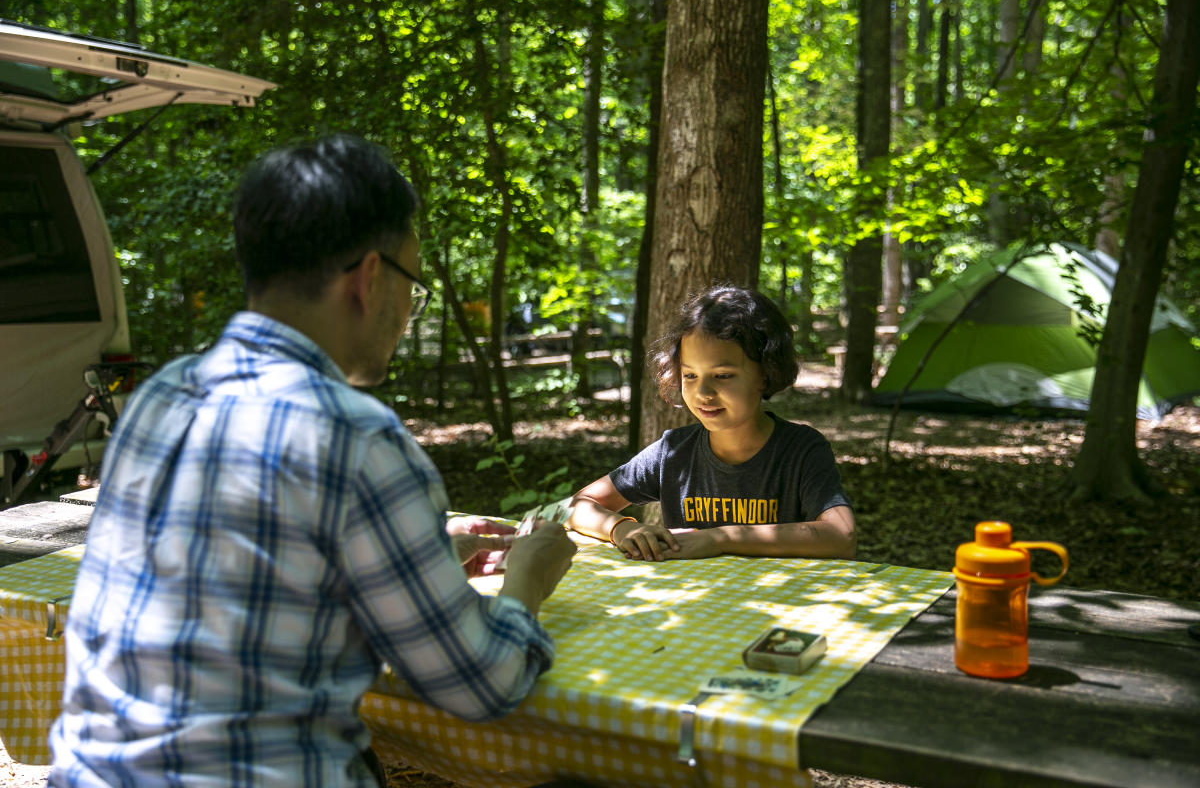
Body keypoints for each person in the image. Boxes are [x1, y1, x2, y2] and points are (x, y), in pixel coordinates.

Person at [49, 133, 576, 787]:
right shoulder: (356, 436)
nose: (410, 311)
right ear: (371, 277)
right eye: (412, 283)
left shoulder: (164, 394)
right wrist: (529, 578)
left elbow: (243, 571)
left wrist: (429, 548)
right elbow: (482, 684)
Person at [568, 285, 856, 561]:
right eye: (690, 375)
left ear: (765, 375)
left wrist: (720, 538)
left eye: (722, 375)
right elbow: (575, 506)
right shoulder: (672, 453)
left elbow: (841, 535)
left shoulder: (801, 449)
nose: (703, 393)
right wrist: (622, 528)